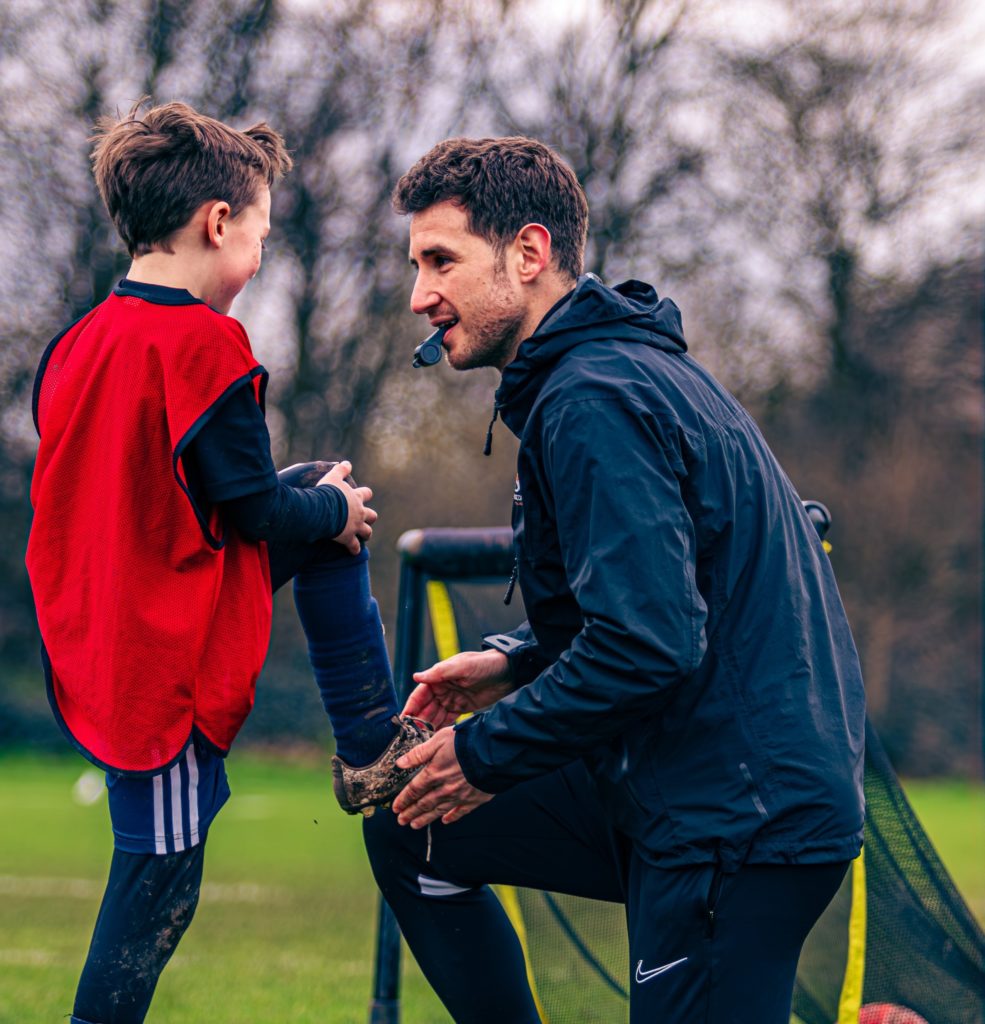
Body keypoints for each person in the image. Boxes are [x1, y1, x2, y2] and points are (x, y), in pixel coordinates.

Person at [362, 136, 866, 1024]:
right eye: (416, 265)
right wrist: (515, 663)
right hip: (684, 779)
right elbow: (662, 598)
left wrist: (486, 752)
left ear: (527, 253)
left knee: (446, 795)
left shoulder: (592, 396)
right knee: (415, 828)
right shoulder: (599, 374)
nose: (419, 295)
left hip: (740, 820)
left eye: (441, 260)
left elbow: (652, 641)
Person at [25, 101, 427, 1024]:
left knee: (324, 500)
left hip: (98, 622)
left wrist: (321, 506)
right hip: (155, 658)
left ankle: (370, 747)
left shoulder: (73, 345)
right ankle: (369, 745)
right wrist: (330, 508)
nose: (256, 257)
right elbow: (250, 509)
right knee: (157, 883)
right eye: (260, 235)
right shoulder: (204, 342)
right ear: (217, 223)